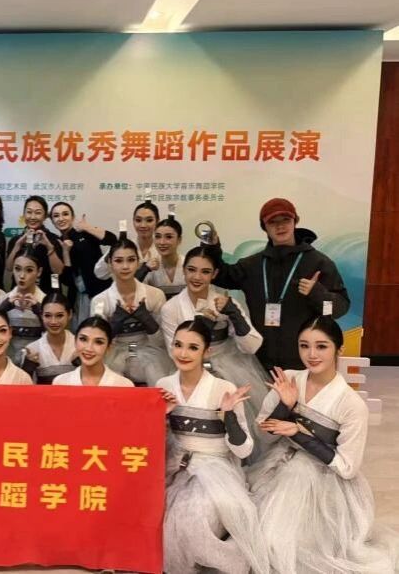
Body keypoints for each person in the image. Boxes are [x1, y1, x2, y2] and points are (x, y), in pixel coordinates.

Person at [249, 315, 399, 572]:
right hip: (277, 465)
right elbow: (262, 435)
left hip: (324, 480)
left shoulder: (351, 404)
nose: (311, 354)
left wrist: (298, 433)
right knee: (250, 533)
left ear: (339, 349)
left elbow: (347, 468)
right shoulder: (289, 379)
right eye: (304, 345)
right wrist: (284, 406)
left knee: (287, 546)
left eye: (321, 346)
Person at [156, 319, 269, 574]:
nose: (183, 353)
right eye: (178, 345)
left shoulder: (223, 388)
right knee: (160, 525)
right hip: (171, 469)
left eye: (193, 347)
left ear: (206, 352)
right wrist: (162, 417)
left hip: (215, 471)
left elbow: (244, 450)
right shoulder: (163, 385)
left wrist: (228, 415)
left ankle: (235, 563)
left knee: (192, 524)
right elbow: (151, 442)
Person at [207, 197, 350, 370]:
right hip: (261, 363)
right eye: (272, 222)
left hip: (304, 363)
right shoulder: (253, 264)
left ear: (295, 221)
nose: (280, 226)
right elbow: (219, 275)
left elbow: (339, 308)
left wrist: (317, 293)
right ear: (264, 227)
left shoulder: (318, 263)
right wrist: (212, 247)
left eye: (286, 220)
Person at [161, 246, 269, 421]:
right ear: (183, 270)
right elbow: (173, 352)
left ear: (215, 274)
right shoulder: (171, 308)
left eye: (205, 272)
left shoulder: (226, 302)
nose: (197, 277)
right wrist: (200, 330)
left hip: (231, 367)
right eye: (191, 270)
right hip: (189, 371)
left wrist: (235, 315)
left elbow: (252, 346)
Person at [90, 239, 173, 386]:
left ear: (138, 262)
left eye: (131, 260)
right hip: (114, 352)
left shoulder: (155, 295)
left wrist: (148, 321)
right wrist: (113, 327)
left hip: (150, 350)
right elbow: (96, 343)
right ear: (110, 264)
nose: (125, 266)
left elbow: (163, 341)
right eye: (118, 261)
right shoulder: (100, 301)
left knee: (159, 381)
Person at [50, 202, 117, 324]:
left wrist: (86, 227)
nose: (61, 218)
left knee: (103, 327)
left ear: (72, 217)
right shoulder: (57, 244)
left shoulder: (84, 233)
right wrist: (65, 252)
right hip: (78, 299)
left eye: (65, 214)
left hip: (100, 293)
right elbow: (67, 281)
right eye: (56, 216)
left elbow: (112, 240)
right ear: (52, 221)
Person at [53, 316, 134, 387]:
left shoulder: (124, 385)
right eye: (83, 339)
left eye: (98, 342)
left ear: (108, 347)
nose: (89, 348)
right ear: (75, 341)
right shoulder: (60, 382)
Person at [0, 247, 46, 360]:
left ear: (39, 272)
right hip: (7, 362)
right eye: (17, 269)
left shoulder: (46, 302)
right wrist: (1, 311)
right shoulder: (1, 300)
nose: (22, 275)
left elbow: (54, 337)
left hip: (39, 361)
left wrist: (41, 312)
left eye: (29, 270)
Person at [5, 196, 63, 291]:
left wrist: (49, 247)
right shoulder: (16, 240)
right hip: (20, 293)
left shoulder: (54, 239)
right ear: (24, 214)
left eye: (38, 213)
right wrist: (17, 246)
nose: (32, 217)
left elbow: (58, 271)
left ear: (45, 216)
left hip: (47, 293)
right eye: (29, 212)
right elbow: (9, 267)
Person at [94, 201, 160, 280]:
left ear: (157, 222)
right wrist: (113, 252)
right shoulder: (125, 245)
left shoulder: (163, 247)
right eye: (138, 220)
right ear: (133, 221)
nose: (143, 225)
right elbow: (100, 273)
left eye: (149, 220)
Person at [22, 292, 77, 384]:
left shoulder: (80, 346)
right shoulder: (32, 350)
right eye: (48, 315)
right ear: (41, 316)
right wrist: (28, 368)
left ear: (70, 314)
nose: (53, 321)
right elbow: (25, 387)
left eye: (59, 315)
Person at [143, 216, 186, 299]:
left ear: (179, 240)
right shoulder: (149, 268)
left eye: (169, 237)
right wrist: (144, 270)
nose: (162, 242)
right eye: (158, 237)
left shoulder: (187, 265)